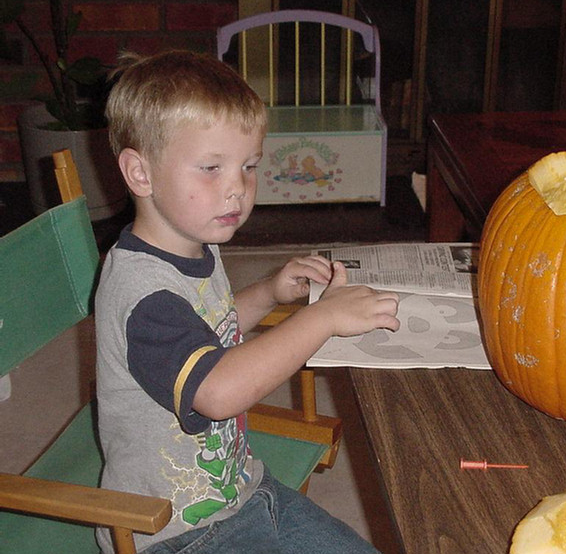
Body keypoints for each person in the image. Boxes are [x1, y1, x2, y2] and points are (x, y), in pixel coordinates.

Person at [95, 50, 400, 554]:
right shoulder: (142, 294)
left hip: (242, 492)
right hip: (170, 533)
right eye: (211, 168)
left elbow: (207, 327)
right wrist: (321, 319)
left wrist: (268, 292)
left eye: (249, 166)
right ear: (141, 174)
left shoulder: (193, 245)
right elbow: (217, 392)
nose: (237, 188)